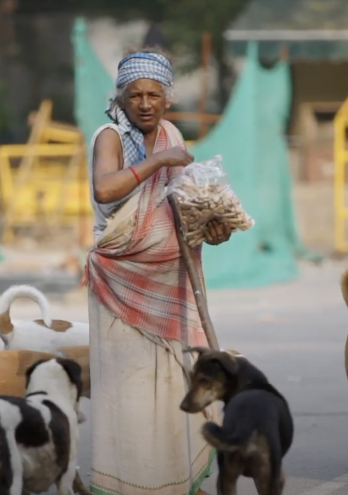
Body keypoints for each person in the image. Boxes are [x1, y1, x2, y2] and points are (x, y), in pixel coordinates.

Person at [84, 48, 232, 495]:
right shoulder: (111, 136)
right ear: (122, 99)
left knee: (175, 393)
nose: (145, 104)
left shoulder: (171, 135)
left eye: (153, 95)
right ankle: (131, 486)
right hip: (120, 286)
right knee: (128, 399)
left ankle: (177, 482)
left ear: (167, 99)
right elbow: (105, 186)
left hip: (172, 285)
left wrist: (214, 230)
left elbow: (185, 211)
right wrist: (160, 161)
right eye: (135, 95)